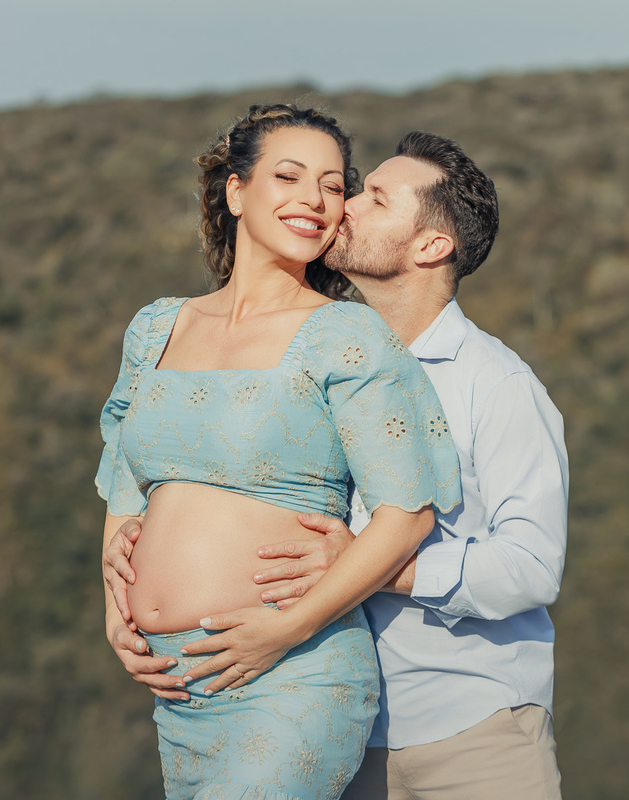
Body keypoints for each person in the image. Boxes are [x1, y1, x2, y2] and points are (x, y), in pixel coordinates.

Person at [106, 131, 568, 799]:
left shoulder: (495, 385)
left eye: (372, 198)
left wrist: (378, 568)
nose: (342, 205)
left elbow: (531, 567)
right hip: (337, 719)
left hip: (468, 727)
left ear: (431, 247)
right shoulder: (318, 351)